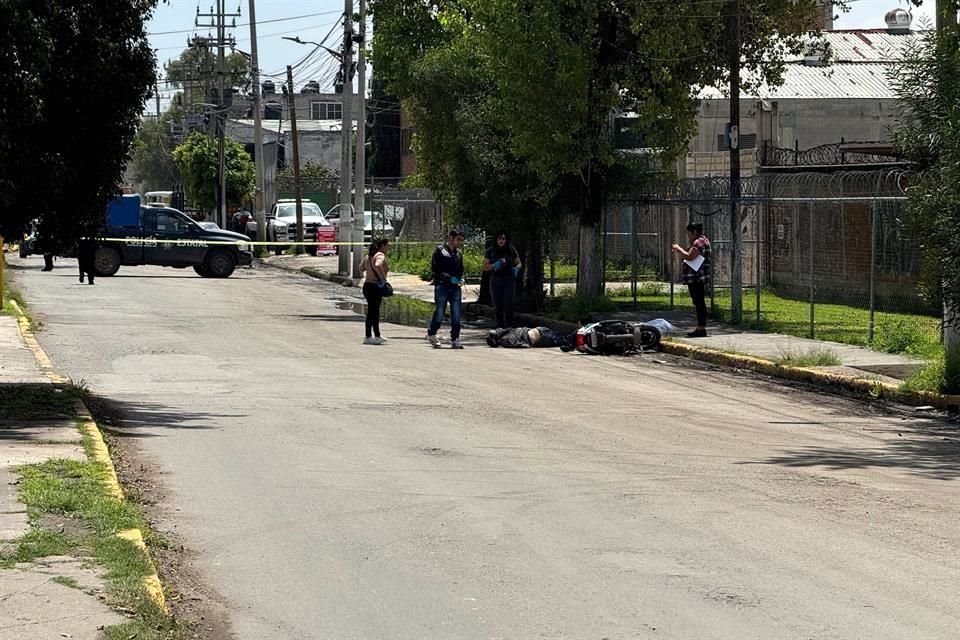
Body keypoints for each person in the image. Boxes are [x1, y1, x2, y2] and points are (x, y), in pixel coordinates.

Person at [427, 229, 466, 349]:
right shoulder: (440, 251)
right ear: (451, 238)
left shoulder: (458, 254)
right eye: (458, 239)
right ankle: (432, 333)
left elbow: (461, 269)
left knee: (456, 313)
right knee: (440, 311)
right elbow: (436, 270)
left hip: (455, 288)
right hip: (442, 285)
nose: (459, 242)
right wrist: (449, 278)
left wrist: (461, 279)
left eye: (461, 240)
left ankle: (455, 338)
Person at [671, 222, 712, 337]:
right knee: (698, 302)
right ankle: (700, 327)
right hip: (696, 277)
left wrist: (678, 249)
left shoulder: (699, 242)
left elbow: (690, 256)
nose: (688, 236)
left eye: (689, 233)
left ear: (694, 232)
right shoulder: (703, 240)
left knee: (699, 302)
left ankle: (701, 328)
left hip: (697, 277)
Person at [483, 231, 522, 328]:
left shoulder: (511, 250)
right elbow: (485, 266)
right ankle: (500, 326)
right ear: (496, 240)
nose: (501, 241)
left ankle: (509, 326)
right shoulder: (490, 251)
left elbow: (519, 263)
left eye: (503, 239)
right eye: (499, 238)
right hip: (496, 280)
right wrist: (494, 265)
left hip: (509, 280)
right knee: (498, 305)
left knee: (508, 304)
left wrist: (516, 268)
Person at [359, 238, 391, 345]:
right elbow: (378, 265)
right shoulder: (380, 255)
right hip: (374, 286)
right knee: (374, 312)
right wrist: (382, 277)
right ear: (382, 246)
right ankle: (369, 336)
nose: (389, 247)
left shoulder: (368, 257)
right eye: (387, 245)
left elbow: (361, 268)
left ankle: (376, 335)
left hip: (367, 286)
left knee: (373, 311)